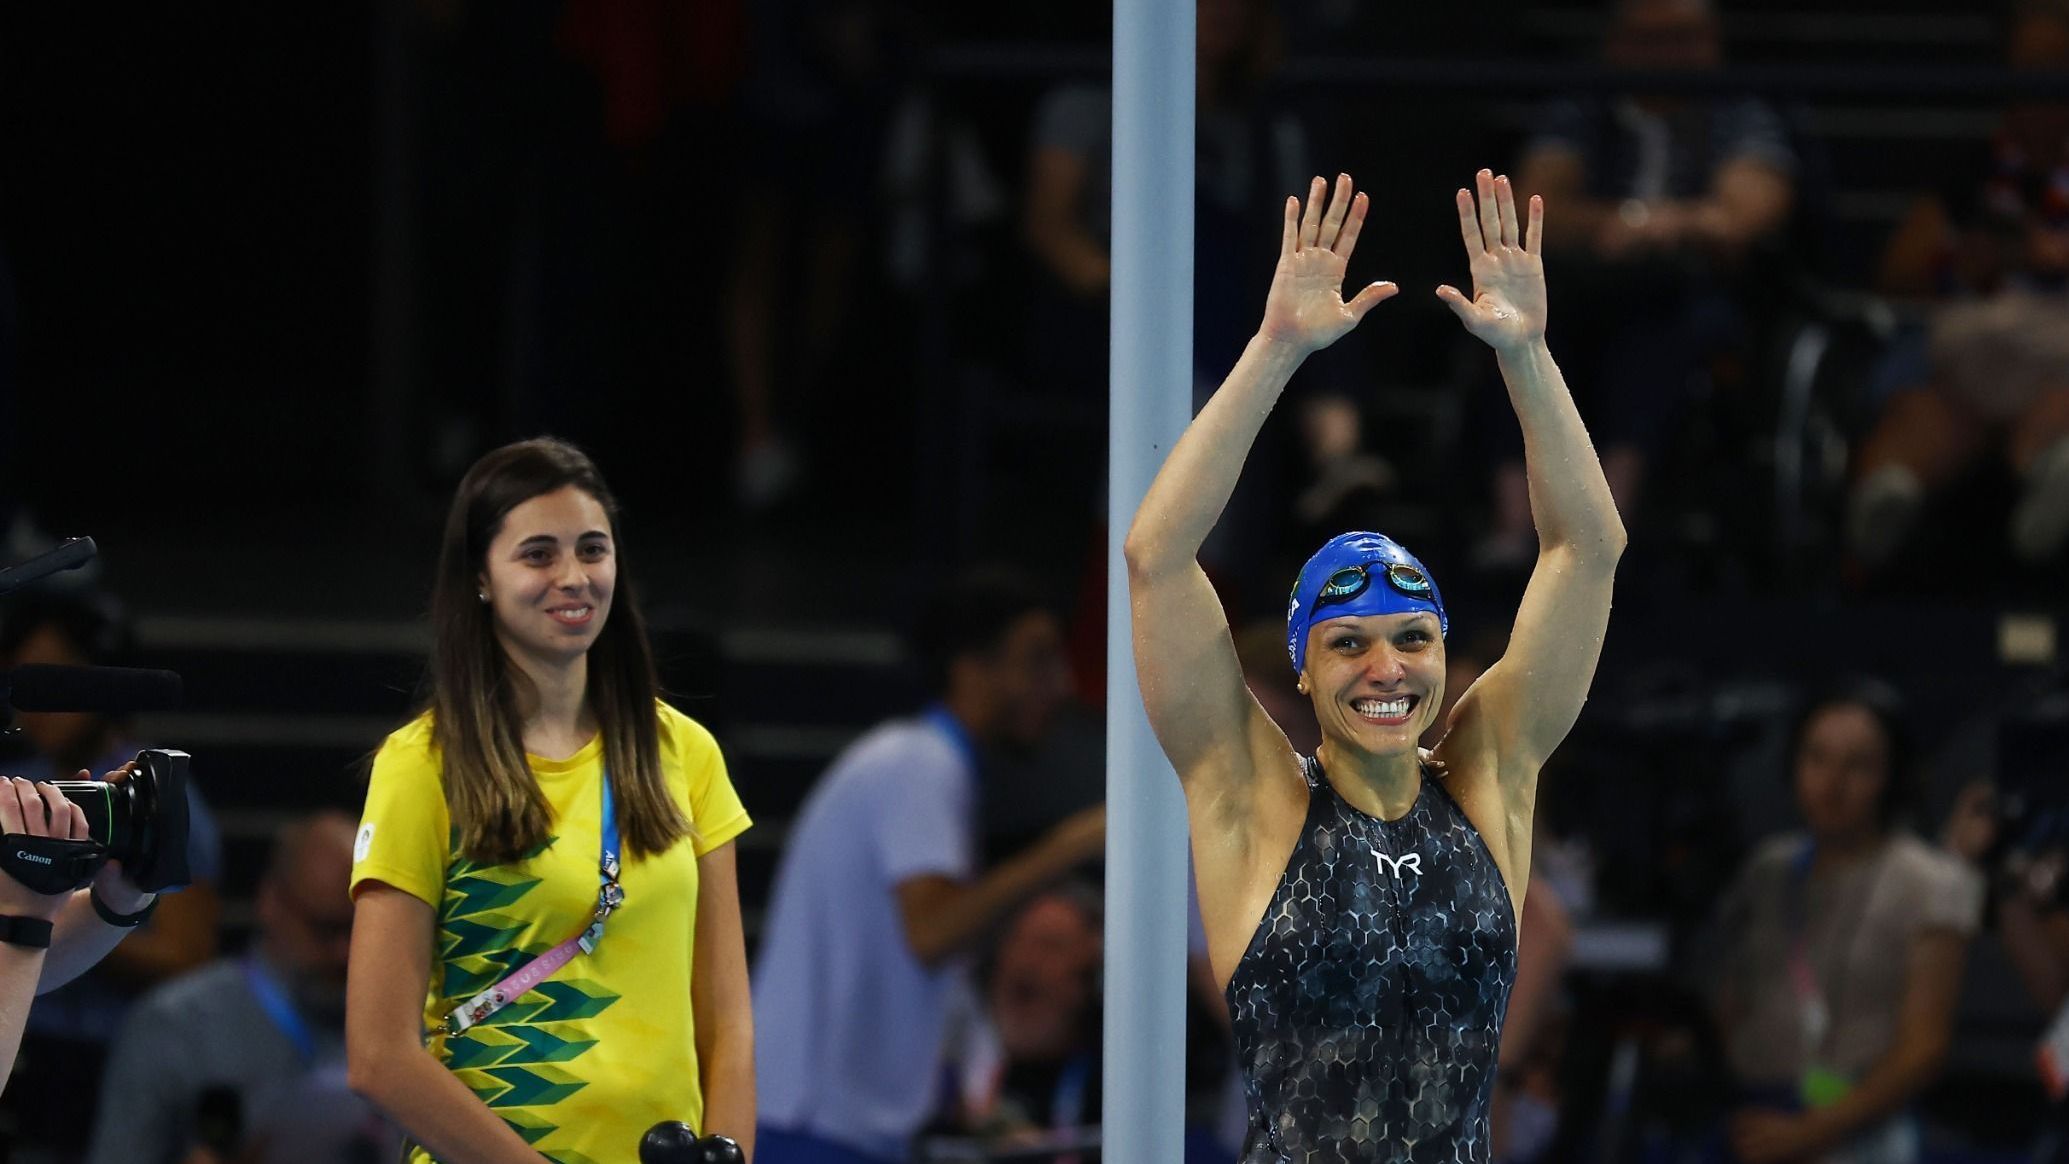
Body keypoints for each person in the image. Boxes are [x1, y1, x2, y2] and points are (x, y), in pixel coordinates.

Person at [1125, 169, 1625, 1159]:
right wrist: (1274, 351)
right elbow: (1156, 557)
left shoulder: (1489, 776)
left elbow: (1585, 550)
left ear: (1445, 655)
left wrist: (1525, 357)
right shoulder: (1249, 795)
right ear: (1301, 673)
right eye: (1345, 644)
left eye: (1410, 638)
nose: (1384, 668)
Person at [347, 437, 754, 1162]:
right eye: (538, 555)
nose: (573, 577)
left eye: (592, 550)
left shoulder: (686, 753)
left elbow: (725, 1027)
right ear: (480, 577)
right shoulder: (421, 767)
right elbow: (378, 1054)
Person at [752, 567, 1106, 1164]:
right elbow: (933, 932)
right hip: (812, 1130)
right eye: (1039, 660)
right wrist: (1075, 841)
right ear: (971, 669)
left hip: (831, 1128)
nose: (1062, 685)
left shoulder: (924, 766)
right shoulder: (918, 764)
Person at [1490, 0, 1793, 566]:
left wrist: (1661, 226)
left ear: (1711, 43)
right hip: (1585, 290)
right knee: (1513, 329)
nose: (1668, 58)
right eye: (1650, 40)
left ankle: (1610, 519)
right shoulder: (1583, 111)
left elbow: (1745, 213)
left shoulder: (1740, 114)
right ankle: (1515, 523)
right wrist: (1614, 225)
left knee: (1660, 330)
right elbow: (1534, 203)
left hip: (1689, 294)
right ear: (1617, 45)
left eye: (1683, 39)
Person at [1711, 682, 1979, 1164]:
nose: (1831, 784)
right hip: (1757, 1114)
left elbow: (1925, 1046)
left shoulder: (1929, 881)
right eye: (1816, 759)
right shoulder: (1767, 868)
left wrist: (1812, 1131)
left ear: (1891, 777)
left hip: (1859, 1127)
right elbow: (1731, 997)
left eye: (1858, 765)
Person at [0, 588, 226, 1158]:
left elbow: (186, 955)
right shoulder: (19, 783)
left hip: (100, 1054)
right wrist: (30, 912)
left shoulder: (138, 797)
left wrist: (105, 901)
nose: (38, 704)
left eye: (54, 679)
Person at [1847, 1, 2069, 569]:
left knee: (2057, 409)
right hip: (1968, 363)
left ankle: (2050, 479)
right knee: (1923, 413)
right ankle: (1884, 498)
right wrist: (1960, 263)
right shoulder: (1971, 172)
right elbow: (1898, 273)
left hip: (2057, 362)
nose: (2045, 93)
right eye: (2030, 72)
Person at [87, 811, 391, 1164]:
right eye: (325, 929)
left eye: (359, 930)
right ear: (271, 901)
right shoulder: (172, 1027)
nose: (344, 953)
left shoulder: (403, 1021)